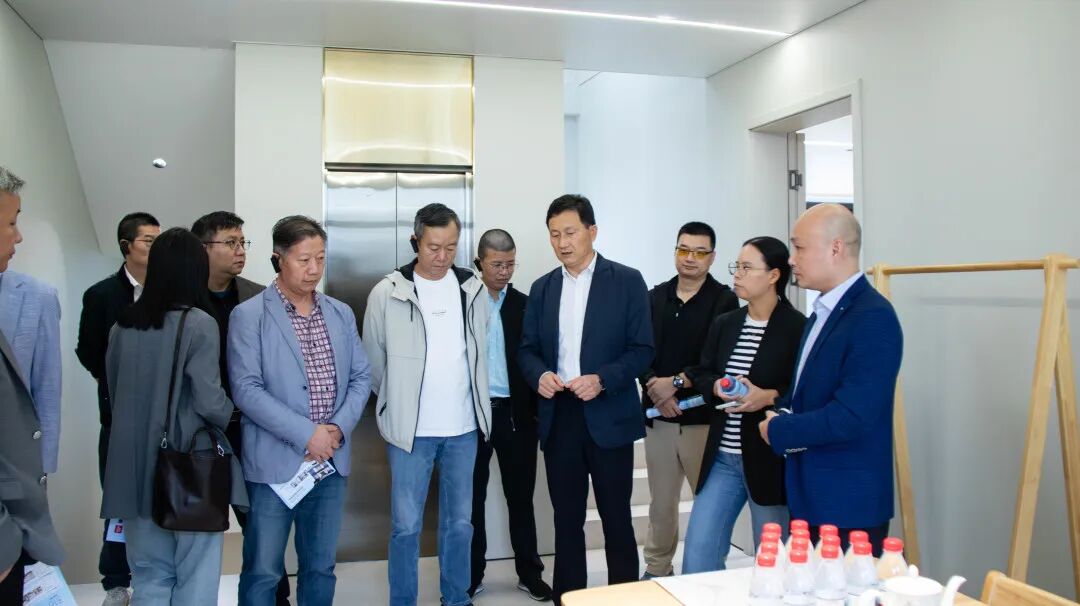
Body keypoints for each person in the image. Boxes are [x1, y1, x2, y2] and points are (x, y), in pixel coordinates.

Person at [518, 195, 653, 605]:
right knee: (567, 522)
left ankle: (623, 599)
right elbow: (527, 349)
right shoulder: (542, 288)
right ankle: (569, 598)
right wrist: (539, 375)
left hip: (609, 415)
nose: (562, 242)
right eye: (554, 234)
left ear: (592, 231)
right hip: (560, 418)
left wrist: (602, 379)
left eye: (570, 232)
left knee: (616, 520)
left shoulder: (627, 281)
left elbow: (643, 349)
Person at [100, 227, 247, 604]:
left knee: (149, 574)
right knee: (195, 574)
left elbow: (114, 393)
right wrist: (234, 412)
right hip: (187, 467)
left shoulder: (122, 326)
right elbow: (208, 400)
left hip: (133, 468)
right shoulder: (198, 323)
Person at [229, 215, 371, 606]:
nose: (314, 269)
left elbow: (361, 377)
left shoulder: (340, 313)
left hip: (330, 461)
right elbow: (246, 389)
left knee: (320, 566)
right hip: (275, 464)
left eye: (320, 259)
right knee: (263, 571)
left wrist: (336, 429)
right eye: (304, 260)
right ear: (279, 258)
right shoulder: (249, 316)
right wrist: (307, 434)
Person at [363, 203, 491, 606]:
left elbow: (480, 351)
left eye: (451, 247)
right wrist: (396, 404)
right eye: (434, 247)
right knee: (405, 527)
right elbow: (373, 363)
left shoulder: (473, 289)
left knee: (460, 524)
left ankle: (456, 598)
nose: (442, 256)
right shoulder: (387, 292)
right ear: (415, 242)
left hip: (463, 429)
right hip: (411, 433)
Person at [760, 204, 903, 556]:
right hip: (811, 494)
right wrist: (779, 408)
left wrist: (779, 430)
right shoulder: (822, 313)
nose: (791, 259)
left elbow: (852, 416)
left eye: (799, 247)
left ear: (835, 248)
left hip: (847, 504)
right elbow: (806, 393)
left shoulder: (873, 317)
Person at [681, 236, 805, 573]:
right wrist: (717, 387)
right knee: (699, 550)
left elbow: (803, 390)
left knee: (773, 562)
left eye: (747, 267)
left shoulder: (797, 328)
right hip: (723, 457)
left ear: (774, 275)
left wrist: (769, 396)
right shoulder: (727, 323)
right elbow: (704, 372)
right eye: (736, 266)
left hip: (769, 458)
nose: (737, 274)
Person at [190, 211, 288, 604]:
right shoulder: (183, 299)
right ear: (203, 249)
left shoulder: (259, 296)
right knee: (198, 531)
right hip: (199, 432)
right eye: (230, 243)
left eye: (242, 242)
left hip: (249, 427)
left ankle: (276, 599)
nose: (240, 250)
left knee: (261, 525)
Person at [637, 222, 738, 580]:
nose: (690, 258)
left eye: (699, 252)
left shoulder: (724, 300)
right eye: (683, 249)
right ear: (675, 251)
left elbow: (717, 360)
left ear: (712, 257)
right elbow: (639, 348)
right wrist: (655, 386)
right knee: (661, 503)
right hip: (659, 417)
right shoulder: (655, 296)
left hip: (702, 421)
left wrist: (675, 385)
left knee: (708, 504)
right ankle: (657, 569)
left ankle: (706, 573)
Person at [76, 211, 161, 605]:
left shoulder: (169, 294)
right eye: (148, 241)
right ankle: (115, 582)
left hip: (161, 418)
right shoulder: (102, 295)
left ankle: (154, 578)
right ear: (126, 246)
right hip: (119, 416)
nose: (156, 248)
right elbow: (88, 351)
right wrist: (114, 380)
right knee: (118, 500)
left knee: (160, 498)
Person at [468, 229, 552, 601]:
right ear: (479, 263)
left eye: (510, 264)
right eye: (496, 265)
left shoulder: (524, 305)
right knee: (471, 501)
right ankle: (471, 575)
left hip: (516, 416)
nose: (504, 272)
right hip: (473, 416)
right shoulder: (465, 301)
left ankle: (529, 574)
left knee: (521, 499)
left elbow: (536, 358)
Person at [0, 166, 64, 604]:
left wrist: (39, 483)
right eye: (10, 223)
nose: (18, 236)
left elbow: (46, 393)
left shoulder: (36, 297)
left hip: (21, 500)